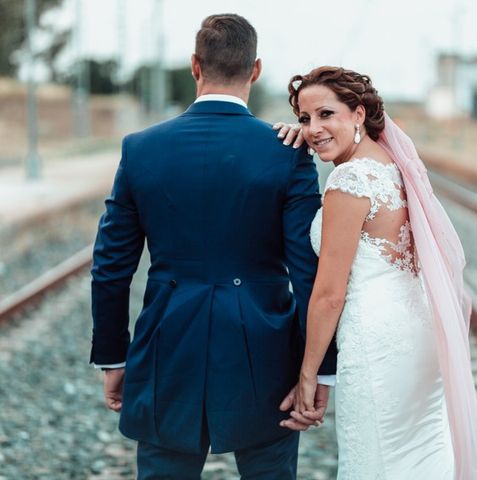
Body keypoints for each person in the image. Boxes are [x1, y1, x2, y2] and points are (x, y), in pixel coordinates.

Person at [90, 14, 336, 479]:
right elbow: (310, 273)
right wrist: (319, 369)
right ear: (256, 69)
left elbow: (110, 267)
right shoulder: (287, 151)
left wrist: (113, 355)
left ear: (194, 66)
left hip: (166, 345)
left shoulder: (141, 148)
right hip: (266, 353)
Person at [277, 67, 477, 479]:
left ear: (358, 113)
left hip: (376, 344)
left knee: (374, 459)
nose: (312, 129)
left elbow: (328, 294)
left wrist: (308, 374)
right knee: (422, 451)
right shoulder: (393, 165)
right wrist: (310, 130)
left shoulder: (350, 180)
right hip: (417, 335)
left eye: (326, 114)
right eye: (305, 119)